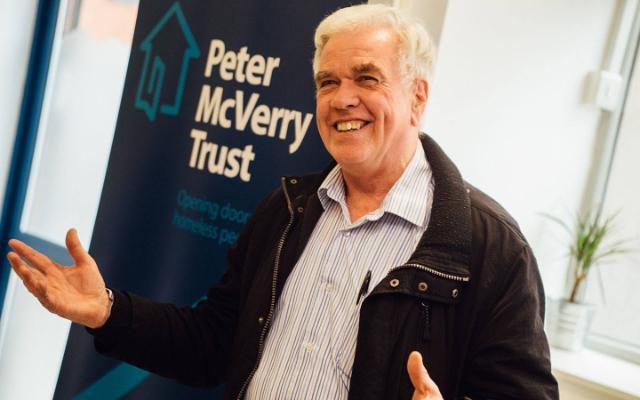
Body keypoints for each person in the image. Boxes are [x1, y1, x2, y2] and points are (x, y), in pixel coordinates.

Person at [7, 4, 558, 399]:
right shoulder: (290, 209)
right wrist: (107, 310)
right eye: (327, 82)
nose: (342, 99)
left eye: (366, 78)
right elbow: (214, 343)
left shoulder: (489, 249)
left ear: (417, 96)